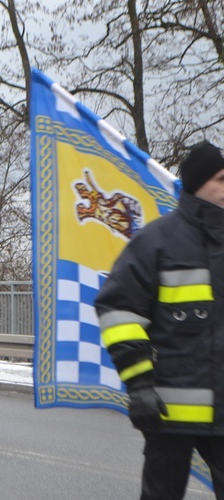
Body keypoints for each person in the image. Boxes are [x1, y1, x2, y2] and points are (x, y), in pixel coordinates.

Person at [94, 141, 224, 498]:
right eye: (221, 179)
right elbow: (118, 311)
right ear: (199, 183)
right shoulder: (157, 241)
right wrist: (139, 386)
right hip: (169, 415)